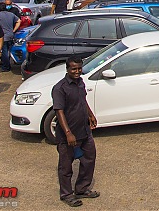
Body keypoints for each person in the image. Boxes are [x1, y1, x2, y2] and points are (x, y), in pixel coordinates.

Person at [52, 56, 99, 207]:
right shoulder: (60, 88)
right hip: (68, 135)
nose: (77, 71)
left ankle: (82, 189)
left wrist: (90, 115)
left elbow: (82, 100)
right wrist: (68, 133)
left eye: (79, 68)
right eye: (74, 69)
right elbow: (59, 111)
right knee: (66, 167)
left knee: (89, 159)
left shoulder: (80, 83)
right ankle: (66, 194)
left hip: (84, 131)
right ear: (67, 69)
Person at [0, 2, 19, 72]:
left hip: (3, 37)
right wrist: (14, 30)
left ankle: (6, 67)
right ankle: (7, 64)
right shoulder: (11, 14)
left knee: (4, 53)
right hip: (11, 35)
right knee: (9, 52)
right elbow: (19, 21)